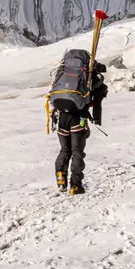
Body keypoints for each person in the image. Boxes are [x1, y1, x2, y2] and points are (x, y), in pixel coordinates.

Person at [53, 62, 107, 195]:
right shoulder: (88, 77)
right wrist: (97, 118)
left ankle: (61, 175)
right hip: (78, 118)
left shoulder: (64, 74)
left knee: (65, 149)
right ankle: (75, 185)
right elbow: (98, 98)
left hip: (61, 117)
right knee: (77, 151)